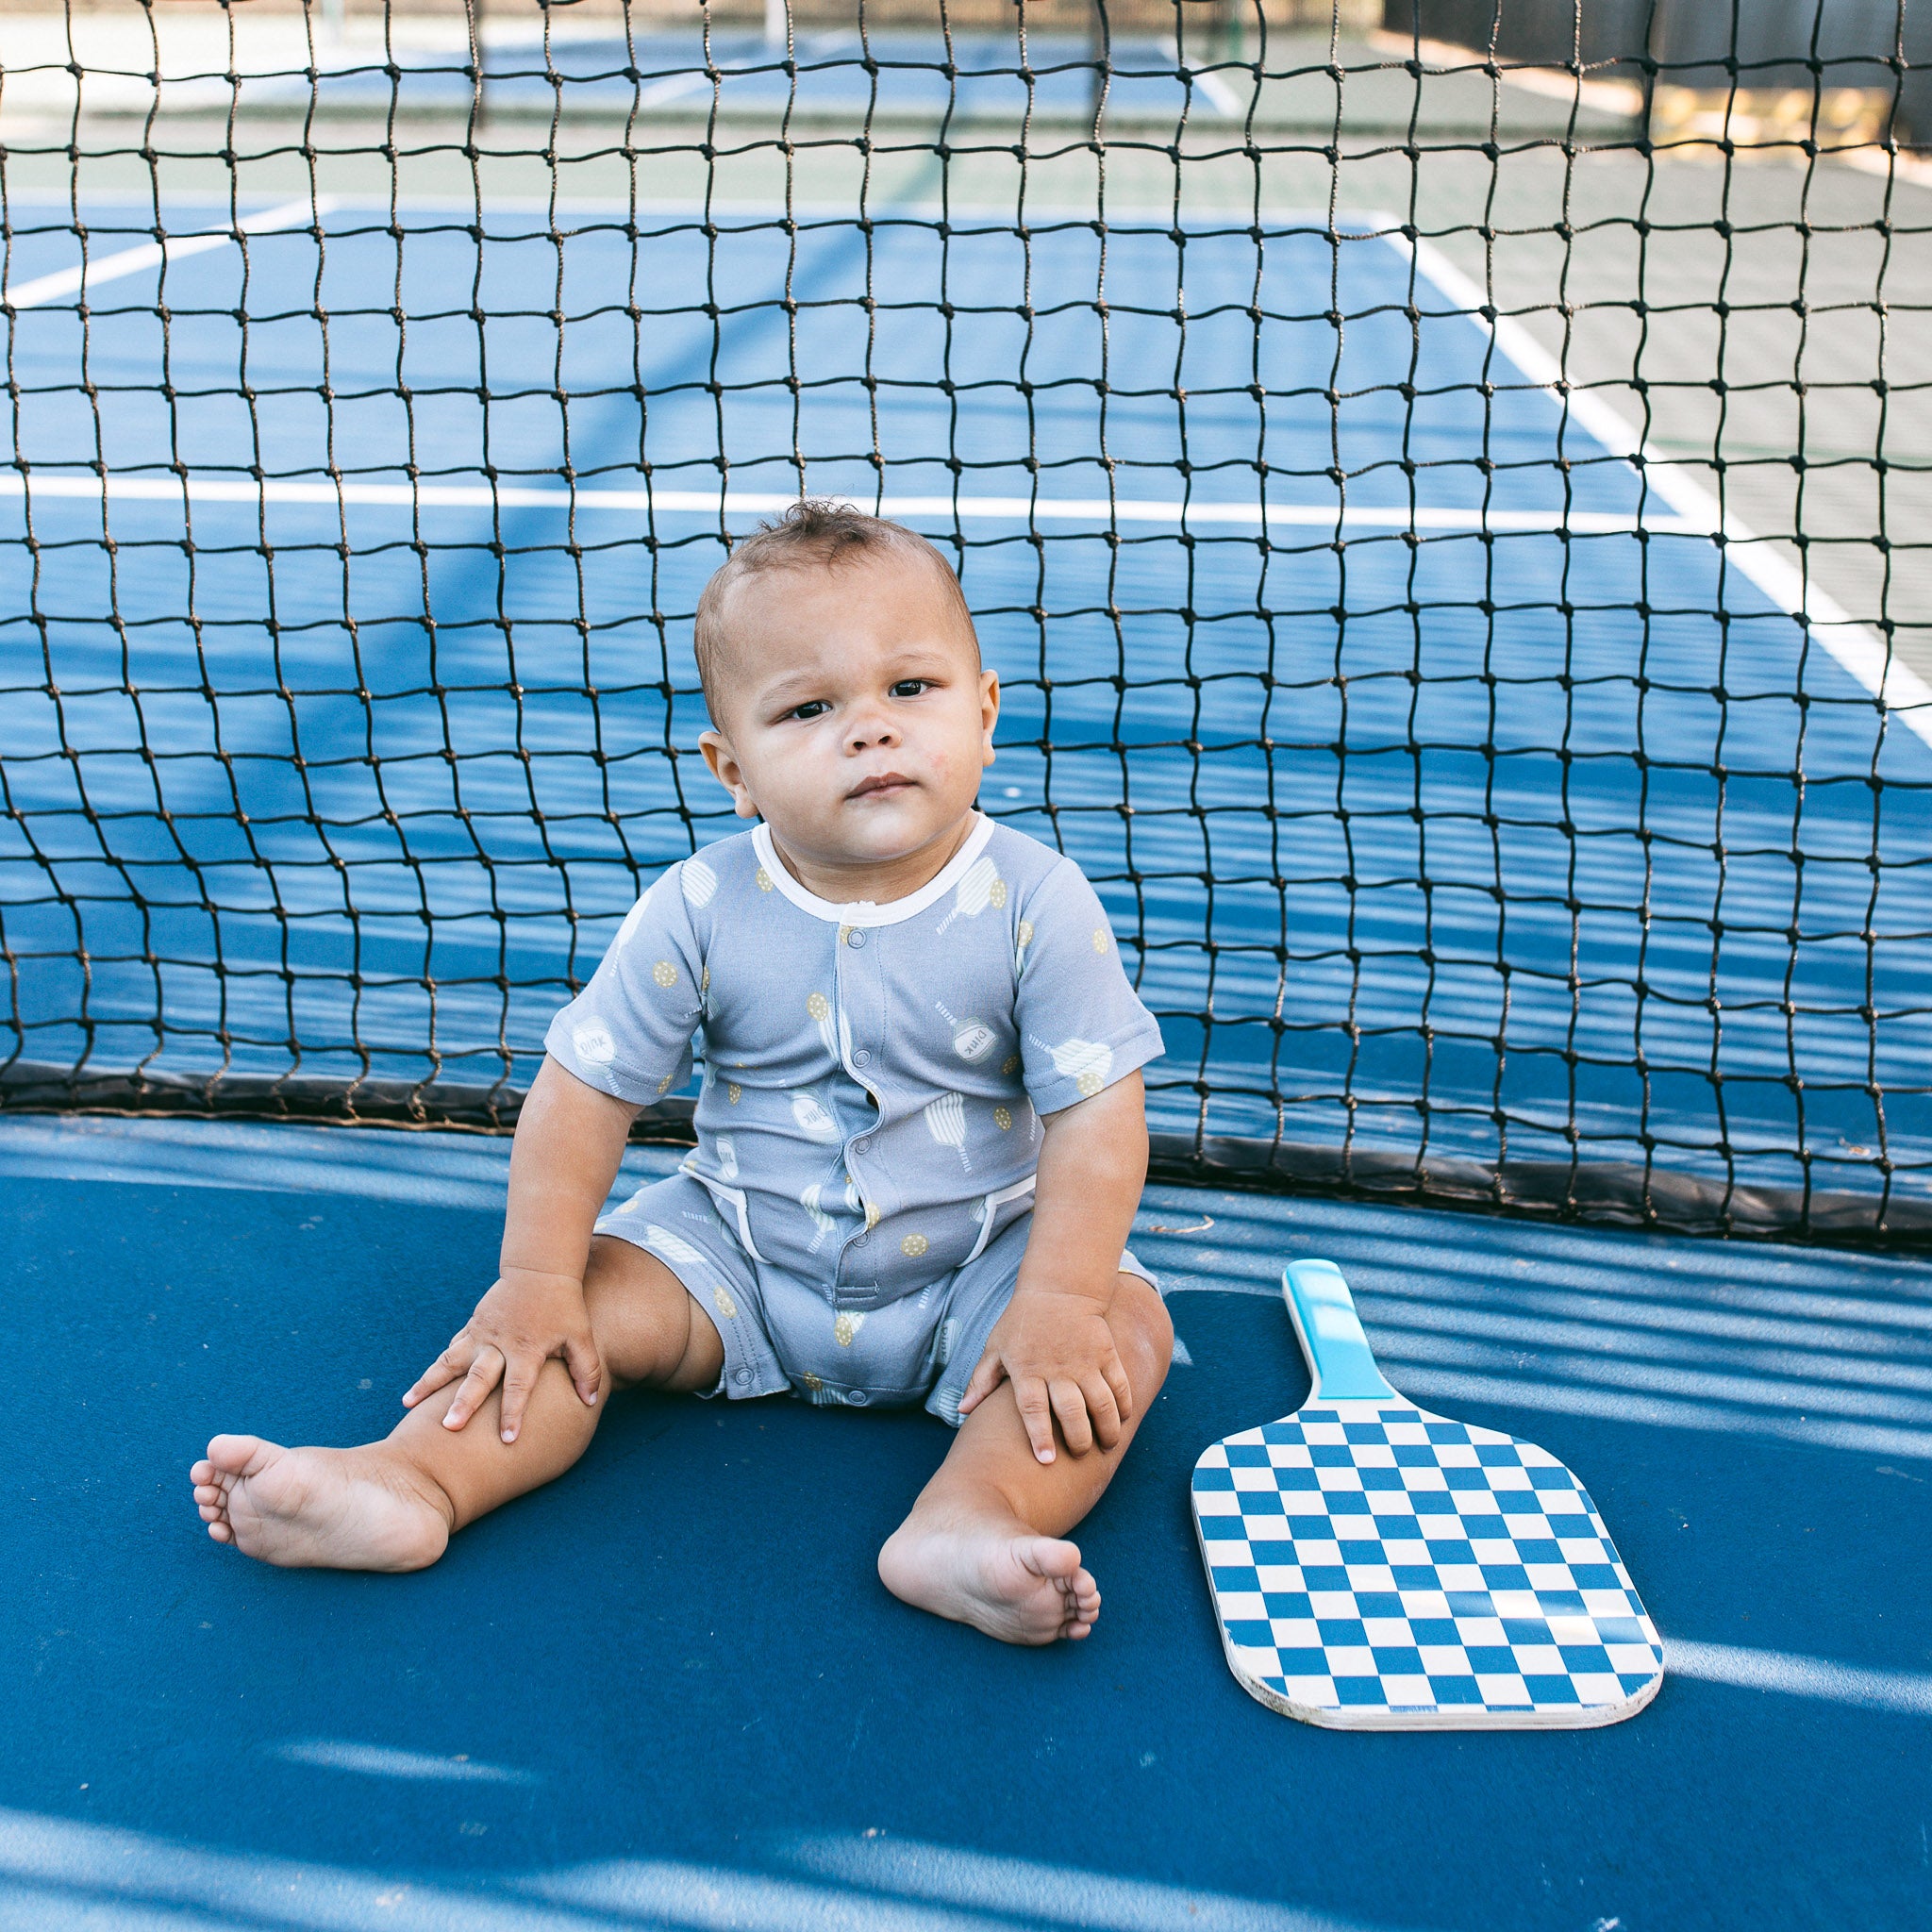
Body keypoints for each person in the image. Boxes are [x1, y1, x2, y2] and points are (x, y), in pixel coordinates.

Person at [190, 501, 1172, 1645]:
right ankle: (408, 1484)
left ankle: (965, 1519)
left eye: (912, 689)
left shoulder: (1037, 900)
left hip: (981, 1261)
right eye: (809, 708)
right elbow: (584, 1090)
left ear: (986, 711)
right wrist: (535, 1277)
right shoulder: (698, 903)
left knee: (1118, 1325)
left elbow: (1098, 1115)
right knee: (574, 1309)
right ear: (732, 767)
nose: (871, 730)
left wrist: (1052, 1301)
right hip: (738, 1258)